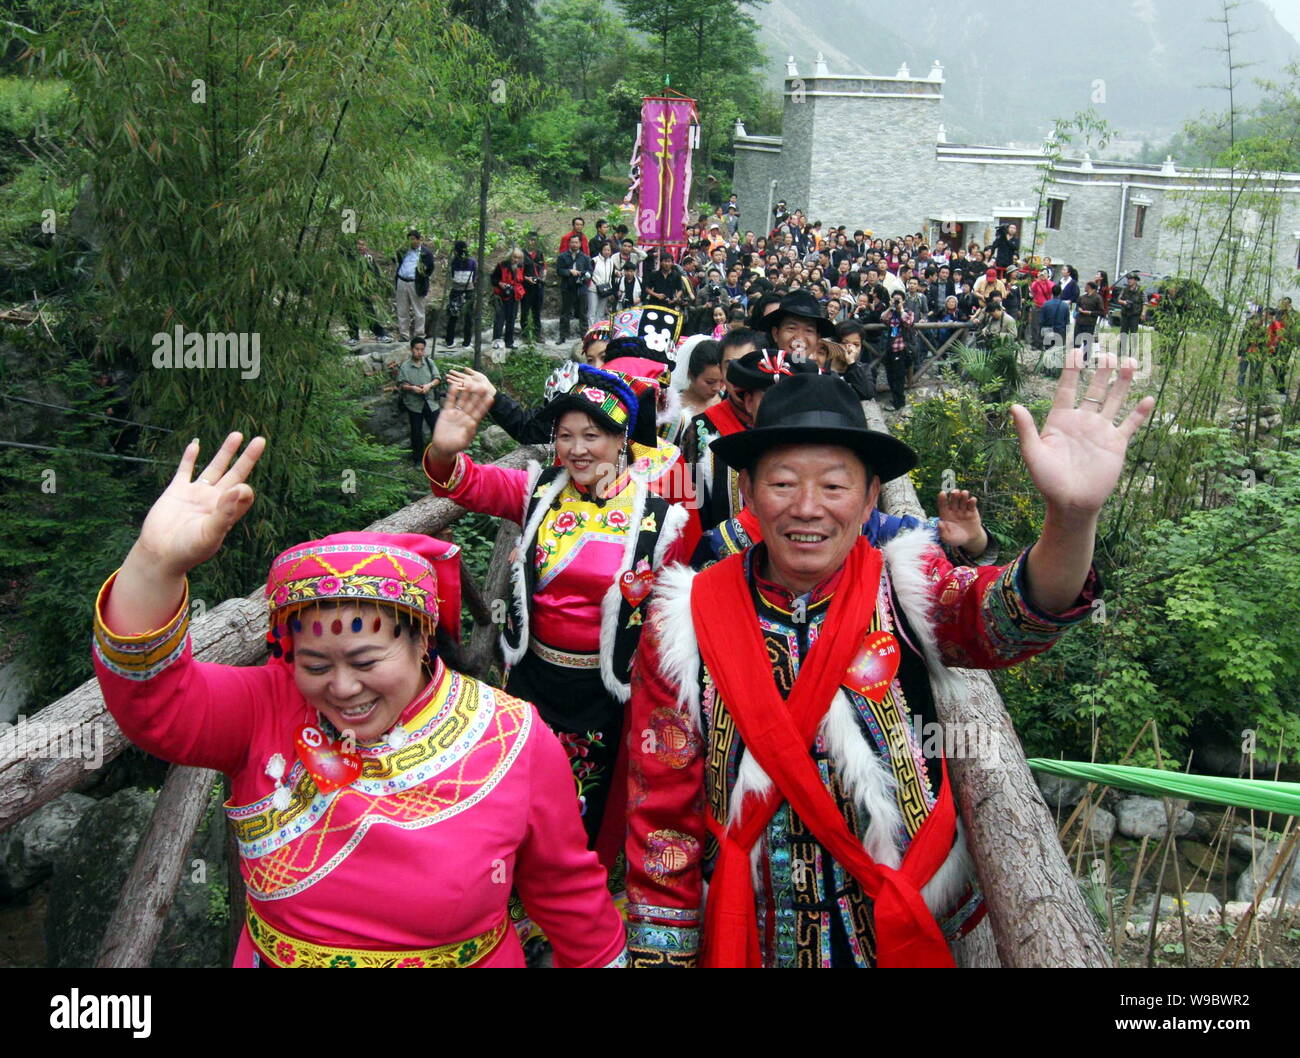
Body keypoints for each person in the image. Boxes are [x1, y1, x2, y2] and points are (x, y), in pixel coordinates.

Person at [623, 359, 1155, 967]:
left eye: (834, 485)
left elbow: (1012, 613)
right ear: (747, 493)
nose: (807, 508)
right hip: (748, 927)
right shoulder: (682, 619)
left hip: (894, 922)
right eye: (782, 482)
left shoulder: (908, 586)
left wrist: (1072, 515)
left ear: (872, 495)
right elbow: (661, 805)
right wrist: (662, 951)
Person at [93, 433, 627, 968]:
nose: (343, 688)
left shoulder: (512, 736)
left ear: (422, 641)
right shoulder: (266, 706)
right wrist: (154, 566)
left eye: (366, 661)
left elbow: (565, 891)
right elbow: (154, 704)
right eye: (315, 665)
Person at [422, 365, 692, 859]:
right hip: (529, 678)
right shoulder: (537, 492)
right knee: (519, 794)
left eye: (592, 435)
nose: (577, 449)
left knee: (578, 804)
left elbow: (670, 618)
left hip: (601, 691)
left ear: (621, 441)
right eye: (565, 436)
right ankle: (514, 885)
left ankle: (566, 896)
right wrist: (444, 449)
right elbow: (461, 483)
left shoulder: (660, 519)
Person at [396, 337, 441, 464]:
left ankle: (440, 456)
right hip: (414, 404)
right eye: (417, 349)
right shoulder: (405, 366)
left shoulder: (428, 362)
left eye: (422, 349)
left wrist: (429, 385)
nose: (419, 352)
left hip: (430, 402)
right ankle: (418, 459)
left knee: (437, 429)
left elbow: (437, 378)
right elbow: (401, 384)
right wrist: (412, 388)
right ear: (412, 349)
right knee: (416, 432)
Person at [345, 239, 392, 346]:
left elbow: (375, 276)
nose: (360, 247)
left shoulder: (369, 259)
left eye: (363, 244)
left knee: (369, 313)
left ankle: (380, 334)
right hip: (351, 290)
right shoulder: (350, 259)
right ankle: (354, 336)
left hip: (365, 291)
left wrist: (374, 291)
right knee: (350, 314)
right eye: (358, 244)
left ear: (367, 246)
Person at [393, 229, 435, 343]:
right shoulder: (404, 251)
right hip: (402, 281)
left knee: (418, 310)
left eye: (413, 239)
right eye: (409, 240)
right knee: (402, 309)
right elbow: (396, 259)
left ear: (419, 239)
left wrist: (422, 276)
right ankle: (404, 334)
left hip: (416, 282)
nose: (411, 242)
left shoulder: (426, 253)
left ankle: (419, 335)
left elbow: (430, 268)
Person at [556, 235, 593, 342]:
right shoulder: (563, 256)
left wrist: (584, 274)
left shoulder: (585, 257)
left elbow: (590, 271)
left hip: (581, 288)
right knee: (565, 313)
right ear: (569, 243)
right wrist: (569, 272)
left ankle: (584, 337)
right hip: (567, 287)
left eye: (576, 242)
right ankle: (562, 336)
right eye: (572, 242)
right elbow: (559, 270)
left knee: (583, 313)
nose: (574, 245)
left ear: (580, 244)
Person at [490, 248, 527, 351]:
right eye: (514, 257)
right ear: (510, 256)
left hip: (514, 296)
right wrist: (500, 284)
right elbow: (493, 279)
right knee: (499, 320)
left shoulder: (521, 267)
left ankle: (509, 342)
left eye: (519, 258)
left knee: (511, 319)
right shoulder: (501, 265)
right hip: (501, 296)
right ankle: (496, 342)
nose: (516, 260)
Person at [443, 240, 477, 348]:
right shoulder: (472, 262)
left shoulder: (454, 262)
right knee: (468, 317)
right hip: (469, 291)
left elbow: (452, 276)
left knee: (453, 316)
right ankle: (466, 342)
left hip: (456, 291)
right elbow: (474, 277)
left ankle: (450, 341)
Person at [521, 232, 547, 342]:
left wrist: (543, 276)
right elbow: (517, 271)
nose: (533, 242)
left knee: (537, 312)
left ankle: (538, 334)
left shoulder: (540, 253)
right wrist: (526, 278)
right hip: (526, 287)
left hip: (538, 286)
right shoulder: (521, 254)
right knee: (525, 311)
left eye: (535, 240)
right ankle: (525, 335)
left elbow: (544, 267)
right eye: (531, 240)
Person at [1114, 272, 1145, 356]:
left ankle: (1133, 352)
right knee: (1123, 333)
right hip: (1125, 314)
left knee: (1134, 333)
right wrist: (1124, 302)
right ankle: (1121, 351)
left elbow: (1145, 303)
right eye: (1128, 279)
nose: (1129, 281)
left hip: (1135, 315)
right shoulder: (1125, 289)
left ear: (1135, 280)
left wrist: (1143, 313)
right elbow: (1119, 299)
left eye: (1131, 279)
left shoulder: (1140, 290)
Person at [590, 241, 620, 324]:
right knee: (592, 312)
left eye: (609, 250)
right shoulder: (594, 261)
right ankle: (590, 332)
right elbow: (590, 274)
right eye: (605, 250)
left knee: (601, 312)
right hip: (593, 289)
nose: (607, 252)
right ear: (601, 250)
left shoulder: (611, 262)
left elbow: (612, 277)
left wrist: (613, 290)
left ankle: (598, 332)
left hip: (605, 289)